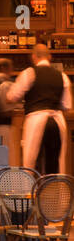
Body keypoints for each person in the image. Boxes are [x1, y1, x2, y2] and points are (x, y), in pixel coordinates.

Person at [7, 43, 72, 174]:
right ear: (50, 56)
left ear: (34, 56)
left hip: (36, 119)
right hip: (57, 121)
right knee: (55, 161)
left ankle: (33, 191)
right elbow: (67, 105)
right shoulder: (62, 76)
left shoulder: (29, 73)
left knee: (31, 161)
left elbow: (12, 96)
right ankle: (53, 191)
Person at [0, 58, 18, 156]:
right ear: (3, 68)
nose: (12, 70)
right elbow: (5, 111)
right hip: (1, 126)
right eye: (11, 67)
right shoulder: (3, 84)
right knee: (4, 156)